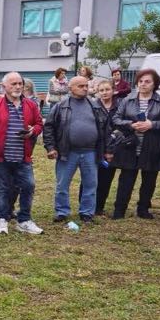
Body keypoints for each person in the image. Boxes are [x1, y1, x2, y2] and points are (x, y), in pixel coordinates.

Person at [0, 72, 44, 235]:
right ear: (4, 86)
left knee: (29, 185)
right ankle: (1, 220)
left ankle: (24, 220)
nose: (18, 87)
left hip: (23, 157)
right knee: (2, 188)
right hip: (0, 157)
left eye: (20, 83)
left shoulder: (30, 105)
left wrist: (32, 131)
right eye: (13, 84)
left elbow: (39, 124)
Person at [110, 68, 160, 220]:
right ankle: (120, 209)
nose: (143, 84)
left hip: (152, 145)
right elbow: (116, 119)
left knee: (149, 179)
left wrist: (152, 125)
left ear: (155, 84)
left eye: (147, 81)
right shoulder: (127, 100)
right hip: (130, 144)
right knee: (126, 179)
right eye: (140, 81)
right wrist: (131, 124)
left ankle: (143, 209)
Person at [43, 76, 107, 223]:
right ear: (70, 88)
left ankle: (87, 213)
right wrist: (50, 147)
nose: (85, 88)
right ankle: (62, 211)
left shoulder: (95, 105)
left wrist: (106, 150)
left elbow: (105, 127)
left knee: (91, 184)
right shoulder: (61, 106)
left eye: (86, 86)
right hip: (67, 152)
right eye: (81, 86)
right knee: (62, 184)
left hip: (91, 152)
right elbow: (49, 127)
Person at [93, 80, 120, 216]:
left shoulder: (120, 106)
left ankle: (99, 207)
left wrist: (110, 150)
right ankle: (86, 205)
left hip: (113, 149)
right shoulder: (93, 106)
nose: (104, 92)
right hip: (95, 148)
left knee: (106, 180)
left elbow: (120, 128)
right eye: (101, 90)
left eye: (107, 89)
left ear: (113, 90)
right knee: (91, 178)